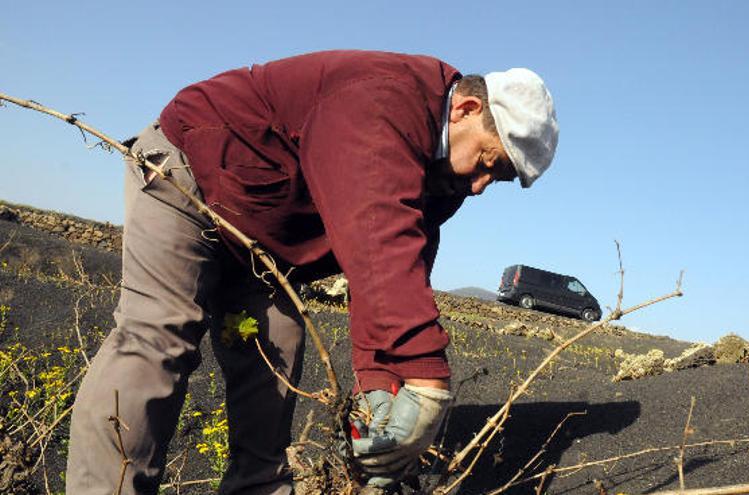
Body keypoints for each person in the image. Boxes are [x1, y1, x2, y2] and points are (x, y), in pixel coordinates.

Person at [65, 50, 558, 494]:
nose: (479, 186)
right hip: (186, 173)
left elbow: (390, 270)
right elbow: (377, 236)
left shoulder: (443, 176)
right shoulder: (385, 99)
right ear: (467, 110)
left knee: (278, 343)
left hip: (257, 237)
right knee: (159, 336)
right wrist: (428, 379)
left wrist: (380, 383)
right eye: (489, 163)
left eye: (499, 180)